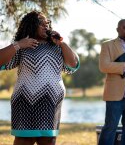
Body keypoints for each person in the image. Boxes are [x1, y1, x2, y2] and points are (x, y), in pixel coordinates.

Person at [0, 11, 80, 145]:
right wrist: (19, 44)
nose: (46, 26)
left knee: (48, 140)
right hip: (24, 102)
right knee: (23, 140)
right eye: (41, 24)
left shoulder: (57, 47)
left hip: (51, 103)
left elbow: (73, 64)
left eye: (47, 23)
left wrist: (62, 43)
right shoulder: (23, 46)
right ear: (31, 25)